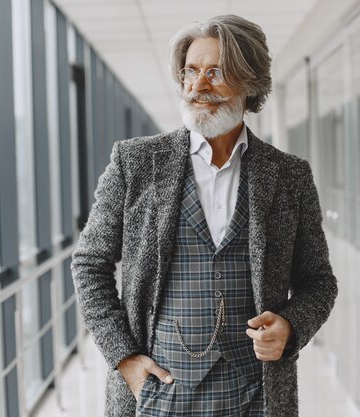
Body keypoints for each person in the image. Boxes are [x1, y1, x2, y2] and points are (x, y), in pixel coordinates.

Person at [71, 14, 338, 417]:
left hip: (257, 396)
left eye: (215, 72)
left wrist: (291, 327)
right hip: (158, 393)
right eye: (190, 72)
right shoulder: (135, 163)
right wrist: (123, 356)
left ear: (249, 83)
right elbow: (89, 264)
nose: (197, 86)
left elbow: (319, 282)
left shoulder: (288, 176)